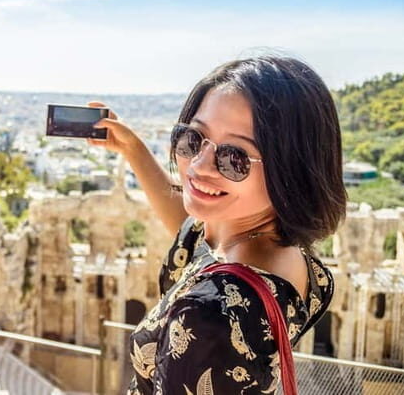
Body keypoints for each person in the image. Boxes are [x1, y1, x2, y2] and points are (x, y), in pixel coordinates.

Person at [88, 56, 344, 394]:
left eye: (234, 158)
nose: (199, 164)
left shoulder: (207, 319)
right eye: (192, 139)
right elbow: (193, 232)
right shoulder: (288, 260)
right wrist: (133, 150)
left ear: (290, 171)